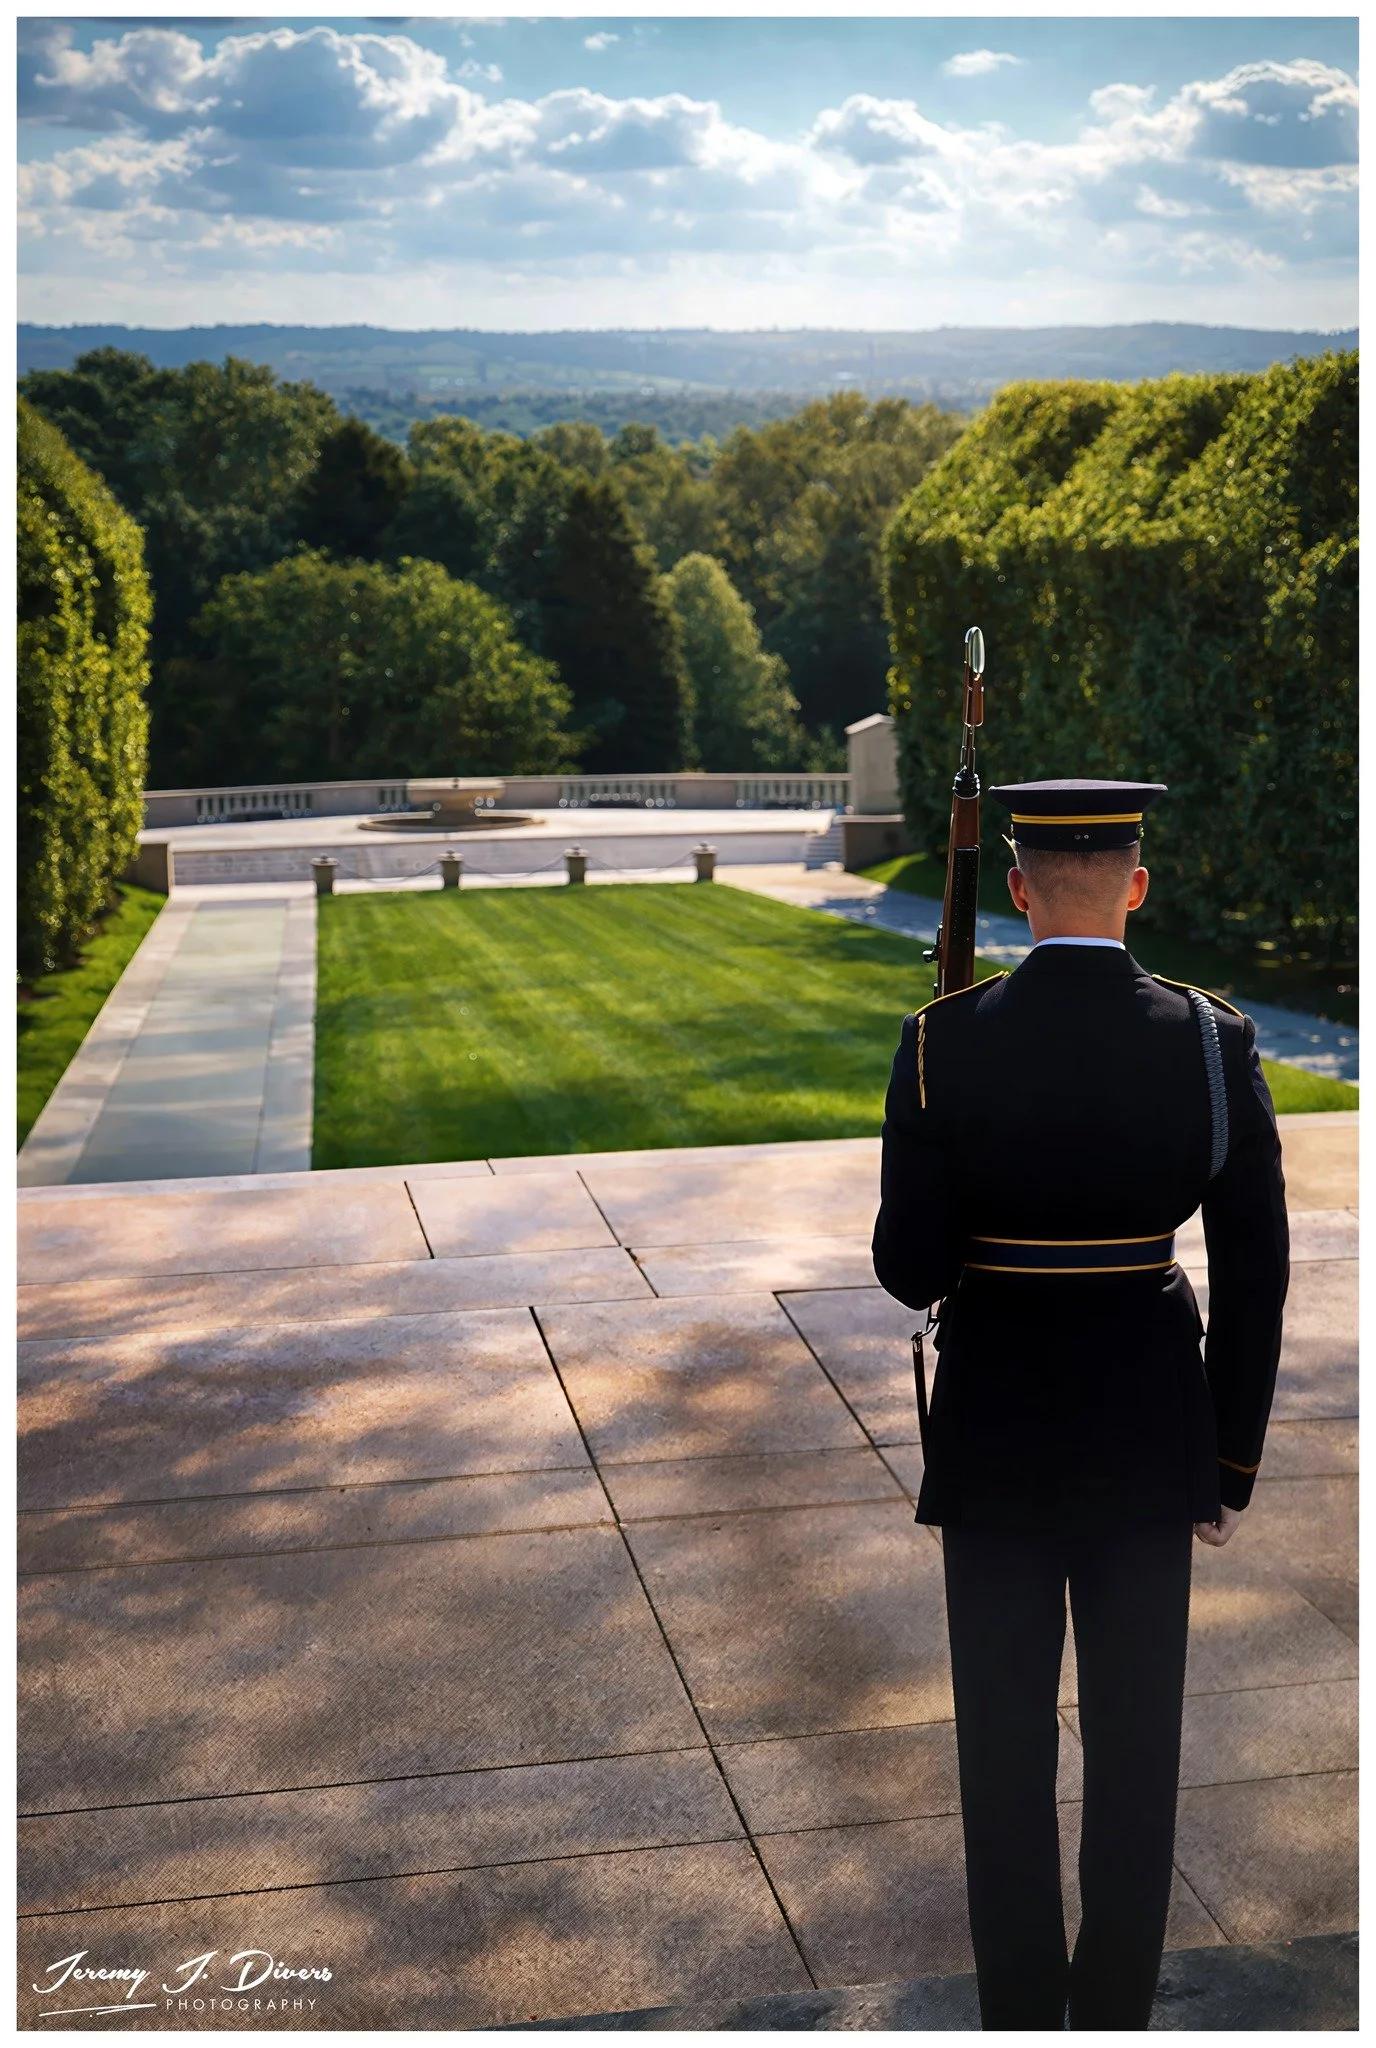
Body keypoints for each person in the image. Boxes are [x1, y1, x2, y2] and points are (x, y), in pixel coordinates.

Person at [871, 778, 1289, 2032]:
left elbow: (910, 1270)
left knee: (1000, 1752)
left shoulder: (943, 1041)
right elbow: (1256, 1272)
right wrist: (1225, 1460)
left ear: (1014, 888)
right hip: (1148, 1434)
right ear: (1135, 882)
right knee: (1133, 1746)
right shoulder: (1214, 1044)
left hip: (996, 1423)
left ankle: (1016, 2015)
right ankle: (1111, 2015)